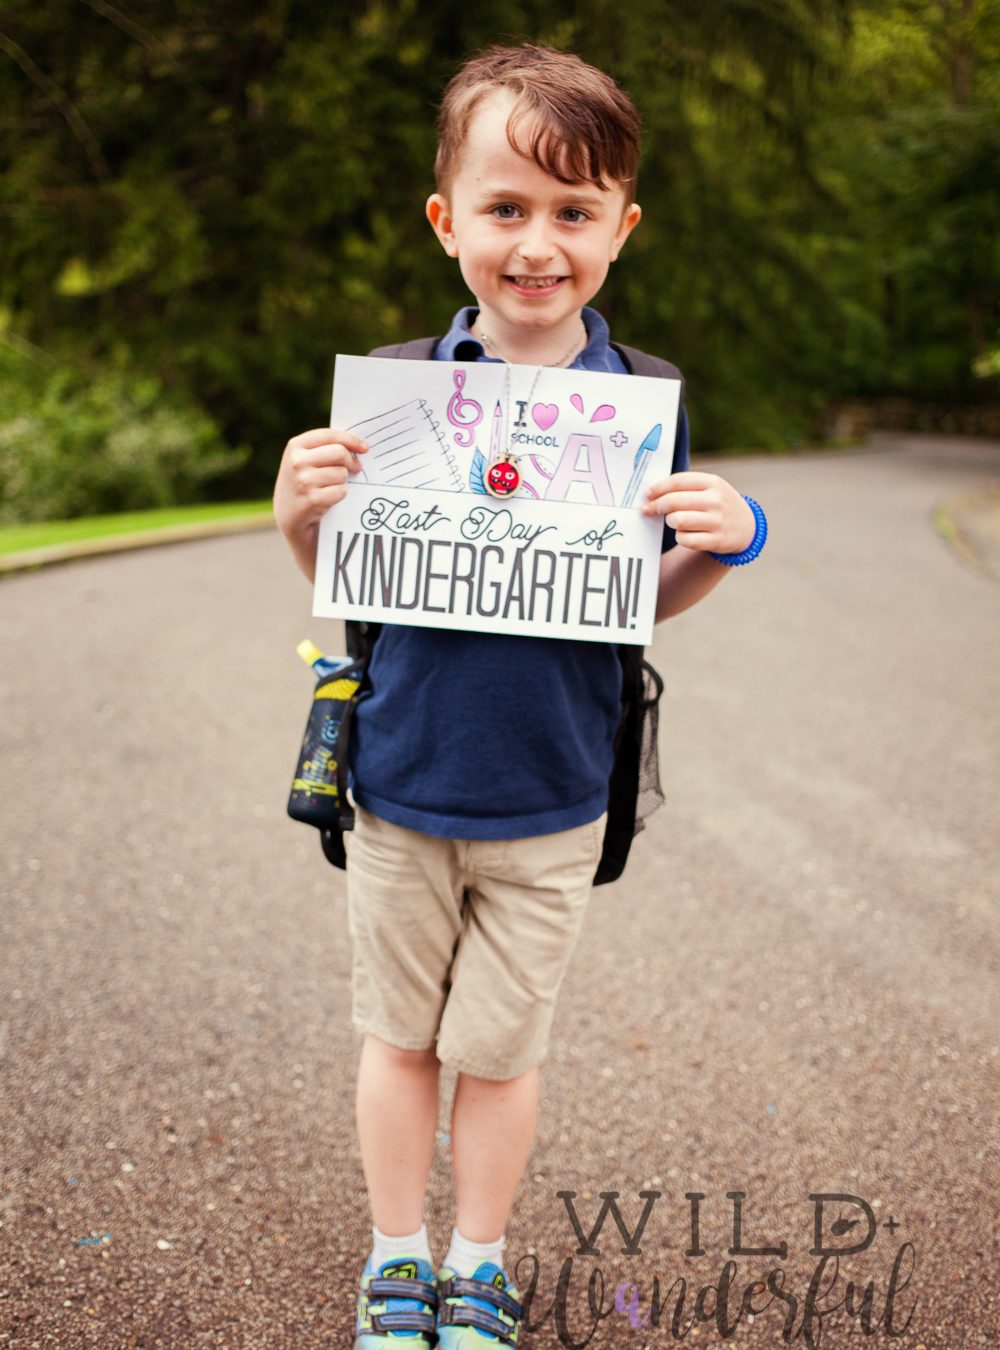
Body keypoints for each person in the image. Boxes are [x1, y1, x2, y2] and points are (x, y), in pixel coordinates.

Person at [272, 42, 765, 1348]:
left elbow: (633, 604)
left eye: (573, 210)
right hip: (401, 779)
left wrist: (720, 541)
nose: (538, 242)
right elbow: (345, 581)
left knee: (497, 1054)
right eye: (505, 207)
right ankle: (396, 1259)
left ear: (621, 228)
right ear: (447, 223)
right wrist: (294, 511)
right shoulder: (394, 391)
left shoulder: (642, 404)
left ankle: (475, 1263)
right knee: (399, 1038)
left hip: (552, 795)